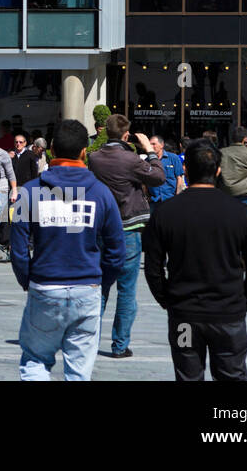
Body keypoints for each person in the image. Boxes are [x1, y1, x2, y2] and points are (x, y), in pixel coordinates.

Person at [143, 140, 247, 381]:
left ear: (186, 170)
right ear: (218, 170)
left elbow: (152, 268)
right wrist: (245, 301)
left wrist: (167, 300)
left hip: (185, 318)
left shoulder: (166, 213)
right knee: (232, 374)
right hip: (228, 317)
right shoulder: (239, 213)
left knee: (187, 374)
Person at [11, 119, 124, 381]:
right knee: (78, 371)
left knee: (35, 360)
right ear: (84, 152)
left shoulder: (30, 192)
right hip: (88, 289)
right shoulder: (102, 193)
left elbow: (18, 248)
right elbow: (116, 250)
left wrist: (28, 280)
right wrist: (101, 282)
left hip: (45, 285)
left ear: (51, 149)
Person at [87, 113, 165, 359]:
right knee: (127, 290)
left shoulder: (95, 159)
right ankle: (120, 345)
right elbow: (158, 177)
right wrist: (149, 150)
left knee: (100, 288)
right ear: (126, 134)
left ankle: (89, 342)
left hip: (101, 229)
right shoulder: (131, 159)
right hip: (128, 228)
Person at [149, 134, 185, 210]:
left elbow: (179, 178)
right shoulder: (147, 161)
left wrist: (177, 197)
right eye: (150, 144)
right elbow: (145, 181)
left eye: (154, 144)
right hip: (154, 201)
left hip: (170, 199)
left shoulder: (173, 158)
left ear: (162, 145)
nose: (151, 147)